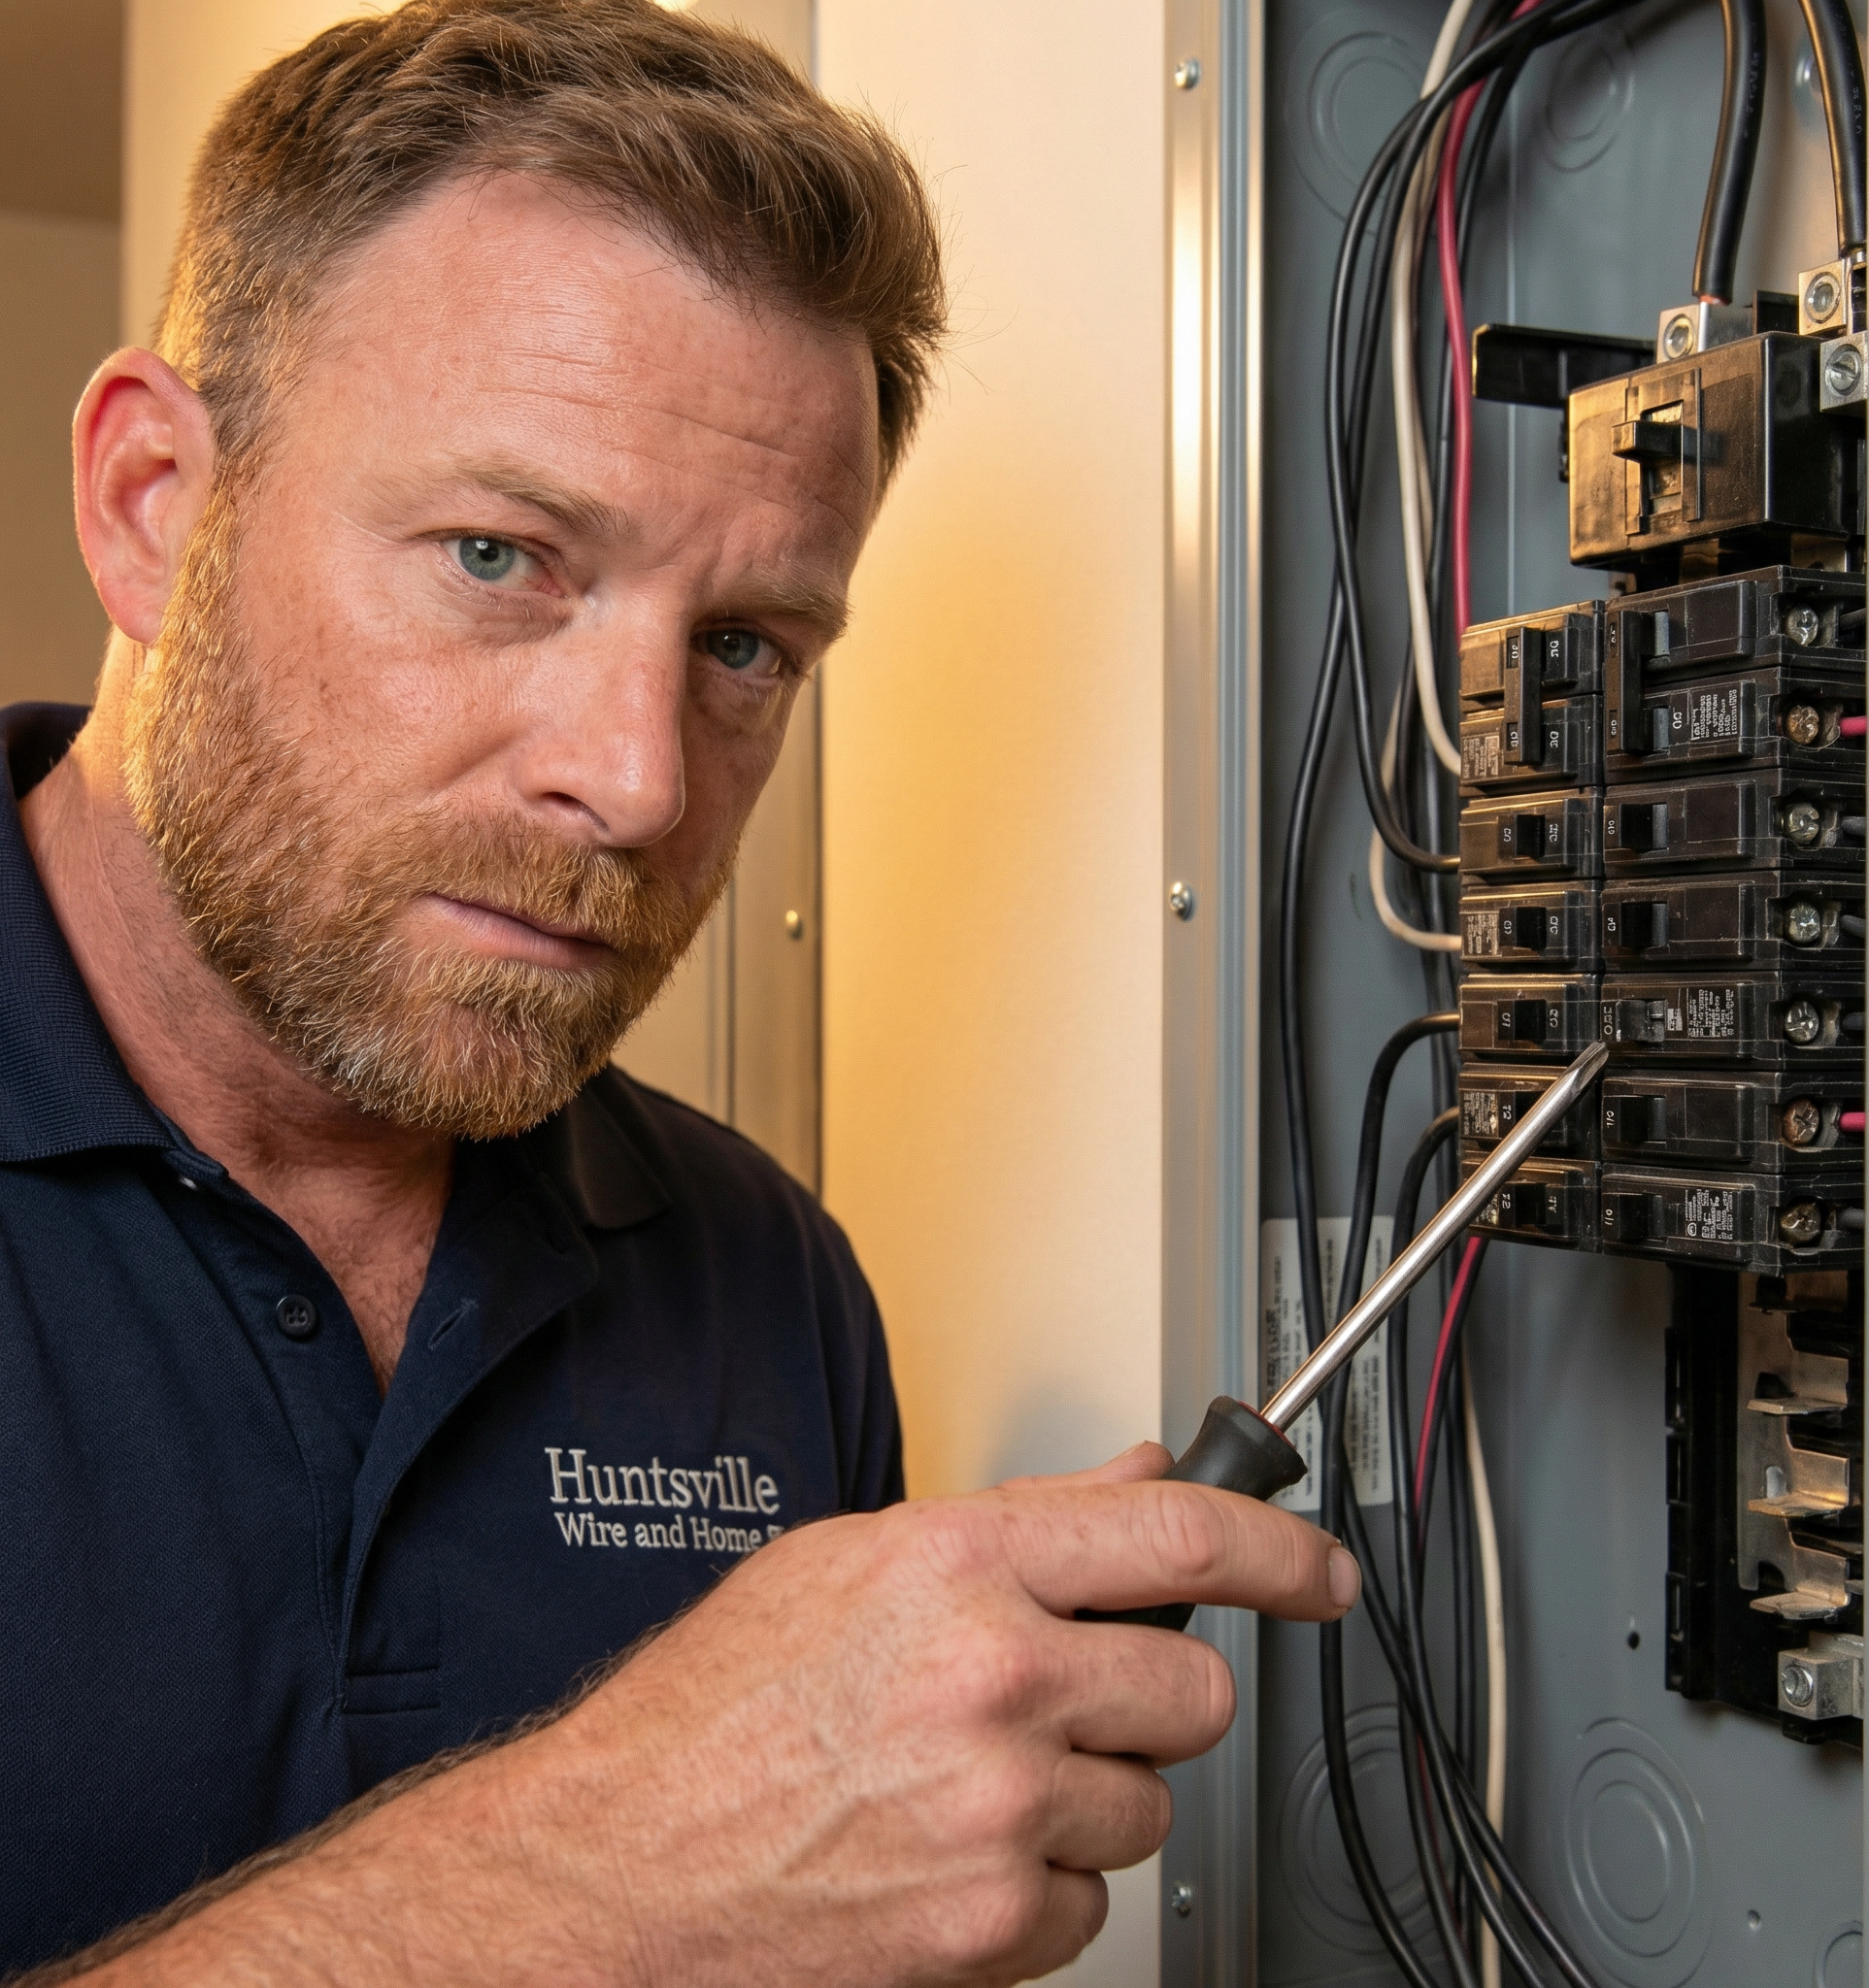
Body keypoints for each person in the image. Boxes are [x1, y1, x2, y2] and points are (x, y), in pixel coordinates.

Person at [0, 3, 1360, 1981]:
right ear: (151, 503)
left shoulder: (758, 1281)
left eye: (742, 644)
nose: (636, 780)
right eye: (501, 554)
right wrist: (580, 1883)